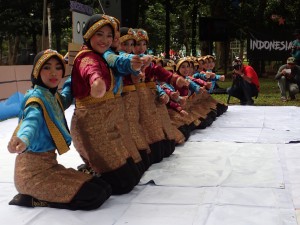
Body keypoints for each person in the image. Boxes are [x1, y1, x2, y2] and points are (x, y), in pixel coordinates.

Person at [7, 49, 111, 210]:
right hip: (30, 175)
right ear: (37, 71)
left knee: (104, 187)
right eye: (47, 67)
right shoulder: (36, 99)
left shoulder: (51, 95)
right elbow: (30, 121)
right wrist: (23, 138)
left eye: (58, 68)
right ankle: (30, 199)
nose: (53, 73)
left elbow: (66, 97)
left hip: (50, 167)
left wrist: (75, 73)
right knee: (94, 197)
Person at [71, 14, 141, 195]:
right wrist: (96, 82)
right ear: (89, 34)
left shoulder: (103, 55)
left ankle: (94, 168)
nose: (105, 40)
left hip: (110, 119)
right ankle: (91, 169)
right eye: (99, 34)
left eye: (109, 36)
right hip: (93, 124)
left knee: (134, 176)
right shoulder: (86, 57)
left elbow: (119, 62)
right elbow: (90, 69)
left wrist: (134, 64)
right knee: (122, 185)